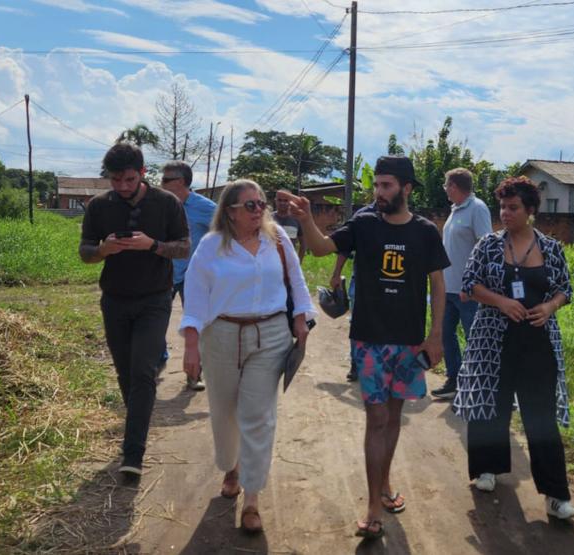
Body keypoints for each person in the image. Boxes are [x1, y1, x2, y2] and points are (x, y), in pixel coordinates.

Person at [280, 156, 449, 539]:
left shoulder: (425, 232)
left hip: (408, 341)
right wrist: (306, 219)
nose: (379, 192)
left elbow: (437, 285)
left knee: (393, 418)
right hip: (369, 338)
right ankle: (374, 505)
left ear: (406, 188)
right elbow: (323, 248)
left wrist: (436, 335)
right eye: (377, 185)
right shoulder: (364, 223)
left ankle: (384, 484)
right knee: (376, 420)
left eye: (387, 186)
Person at [179, 179, 315, 534]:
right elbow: (194, 297)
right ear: (231, 212)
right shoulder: (211, 246)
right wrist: (191, 344)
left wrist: (300, 319)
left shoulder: (278, 239)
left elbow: (296, 282)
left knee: (258, 416)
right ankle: (231, 467)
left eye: (261, 204)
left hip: (270, 335)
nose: (259, 211)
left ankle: (252, 497)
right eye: (250, 205)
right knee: (224, 411)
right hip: (221, 336)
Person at [453, 176, 574, 520]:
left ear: (531, 211)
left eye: (513, 207)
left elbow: (564, 288)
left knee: (541, 418)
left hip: (537, 342)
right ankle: (487, 469)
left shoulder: (551, 248)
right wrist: (501, 302)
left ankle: (556, 496)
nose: (505, 213)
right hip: (492, 340)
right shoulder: (489, 246)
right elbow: (469, 284)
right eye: (502, 207)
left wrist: (550, 306)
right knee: (490, 406)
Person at [79, 142, 190, 483]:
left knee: (143, 371)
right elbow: (85, 253)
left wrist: (152, 245)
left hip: (155, 300)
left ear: (143, 174)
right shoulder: (99, 206)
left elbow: (184, 247)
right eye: (116, 180)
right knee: (126, 374)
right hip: (114, 300)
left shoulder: (167, 203)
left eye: (129, 179)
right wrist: (103, 249)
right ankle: (137, 424)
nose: (123, 187)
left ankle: (133, 454)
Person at [431, 168, 492, 399]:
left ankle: (476, 385)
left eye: (447, 186)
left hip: (468, 291)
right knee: (446, 334)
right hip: (448, 288)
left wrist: (475, 283)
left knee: (473, 338)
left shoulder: (477, 208)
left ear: (454, 186)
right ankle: (454, 378)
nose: (445, 190)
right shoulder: (455, 210)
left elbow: (485, 247)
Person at [160, 160, 216, 391]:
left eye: (165, 180)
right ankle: (157, 362)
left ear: (180, 182)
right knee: (155, 321)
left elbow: (225, 234)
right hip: (164, 273)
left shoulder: (206, 207)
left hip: (194, 277)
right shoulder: (160, 205)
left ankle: (195, 374)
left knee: (197, 326)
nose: (160, 184)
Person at [329, 201, 375, 382]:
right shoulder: (363, 217)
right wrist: (336, 274)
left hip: (390, 283)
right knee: (358, 323)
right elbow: (345, 247)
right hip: (362, 282)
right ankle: (357, 364)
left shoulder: (401, 217)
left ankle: (377, 363)